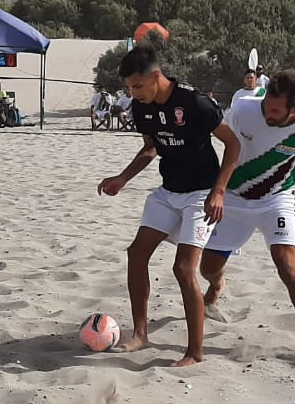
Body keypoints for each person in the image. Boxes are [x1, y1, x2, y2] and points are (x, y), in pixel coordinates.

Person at [97, 45, 240, 367]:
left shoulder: (195, 103)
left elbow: (233, 144)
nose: (133, 93)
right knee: (136, 254)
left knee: (183, 268)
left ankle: (194, 352)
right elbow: (151, 149)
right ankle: (141, 334)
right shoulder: (141, 108)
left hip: (200, 194)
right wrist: (122, 178)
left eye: (137, 86)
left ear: (156, 77)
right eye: (128, 88)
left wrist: (218, 191)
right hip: (167, 192)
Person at [199, 69, 295, 350]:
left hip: (276, 200)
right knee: (207, 267)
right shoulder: (244, 108)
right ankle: (216, 287)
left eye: (276, 111)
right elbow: (227, 141)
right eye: (266, 106)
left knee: (288, 266)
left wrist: (275, 177)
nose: (268, 114)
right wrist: (218, 188)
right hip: (233, 198)